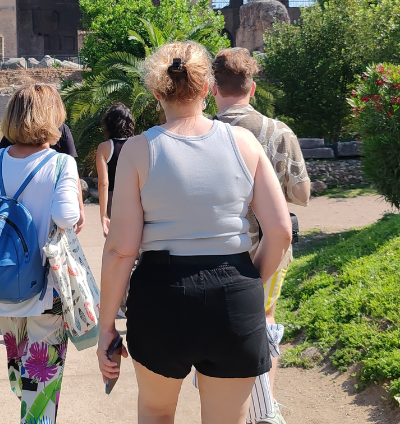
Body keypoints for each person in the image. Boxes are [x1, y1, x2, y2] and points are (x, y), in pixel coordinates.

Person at [96, 41, 293, 424]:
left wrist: (107, 327)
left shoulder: (138, 150)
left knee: (155, 411)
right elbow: (281, 231)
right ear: (208, 89)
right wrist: (249, 280)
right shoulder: (244, 143)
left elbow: (121, 250)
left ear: (156, 93)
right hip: (234, 295)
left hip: (161, 296)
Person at [211, 47, 311, 424]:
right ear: (252, 88)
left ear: (213, 90)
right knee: (265, 317)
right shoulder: (278, 132)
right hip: (270, 246)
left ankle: (229, 403)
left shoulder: (205, 133)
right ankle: (265, 405)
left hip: (219, 251)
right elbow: (302, 193)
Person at [0, 84, 81, 424]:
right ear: (53, 118)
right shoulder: (60, 163)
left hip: (3, 287)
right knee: (40, 387)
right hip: (46, 290)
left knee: (23, 377)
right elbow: (67, 216)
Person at [0, 121, 86, 233]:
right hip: (48, 214)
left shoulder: (15, 128)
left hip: (13, 212)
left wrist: (80, 208)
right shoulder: (61, 129)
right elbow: (71, 172)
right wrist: (80, 209)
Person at [94, 102, 135, 237]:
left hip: (114, 200)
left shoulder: (104, 147)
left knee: (116, 246)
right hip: (136, 199)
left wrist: (103, 214)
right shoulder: (139, 144)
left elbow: (103, 183)